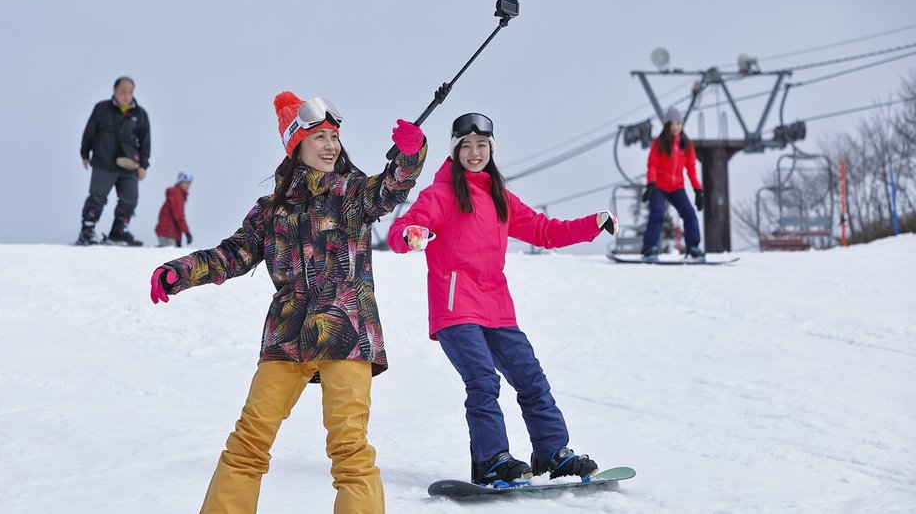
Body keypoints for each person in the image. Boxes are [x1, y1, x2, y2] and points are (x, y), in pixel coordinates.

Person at [149, 91, 426, 514]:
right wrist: (180, 272)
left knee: (349, 446)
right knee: (249, 440)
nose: (331, 146)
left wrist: (410, 154)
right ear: (296, 145)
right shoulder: (270, 210)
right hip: (287, 334)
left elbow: (389, 189)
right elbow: (233, 254)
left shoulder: (352, 192)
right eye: (319, 138)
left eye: (334, 137)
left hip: (345, 331)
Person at [386, 113, 618, 487]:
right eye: (467, 146)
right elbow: (405, 227)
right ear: (455, 150)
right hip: (455, 308)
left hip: (496, 306)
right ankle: (492, 460)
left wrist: (593, 223)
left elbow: (544, 231)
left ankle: (552, 453)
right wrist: (411, 234)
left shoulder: (499, 197)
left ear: (490, 150)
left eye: (482, 146)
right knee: (482, 381)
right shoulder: (441, 194)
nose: (475, 153)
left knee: (530, 378)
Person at [76, 76, 151, 246]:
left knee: (130, 199)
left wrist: (143, 165)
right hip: (104, 162)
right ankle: (87, 231)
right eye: (123, 91)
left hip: (129, 164)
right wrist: (84, 154)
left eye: (130, 91)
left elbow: (145, 141)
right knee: (97, 197)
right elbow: (89, 132)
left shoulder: (140, 114)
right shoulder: (102, 109)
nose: (126, 95)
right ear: (114, 91)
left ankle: (118, 233)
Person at [640, 106, 703, 262]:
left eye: (678, 123)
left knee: (689, 214)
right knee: (657, 214)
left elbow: (691, 169)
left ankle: (693, 247)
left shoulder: (686, 145)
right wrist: (651, 183)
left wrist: (698, 190)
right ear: (667, 126)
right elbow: (652, 164)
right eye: (672, 124)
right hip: (659, 186)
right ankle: (650, 247)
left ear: (681, 125)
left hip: (677, 187)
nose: (675, 127)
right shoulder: (660, 143)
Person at [155, 171, 193, 247]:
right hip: (167, 232)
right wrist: (187, 232)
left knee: (170, 254)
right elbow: (178, 215)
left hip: (171, 233)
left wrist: (178, 237)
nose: (188, 185)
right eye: (185, 182)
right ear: (179, 182)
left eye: (189, 183)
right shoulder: (176, 193)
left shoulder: (179, 194)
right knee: (168, 255)